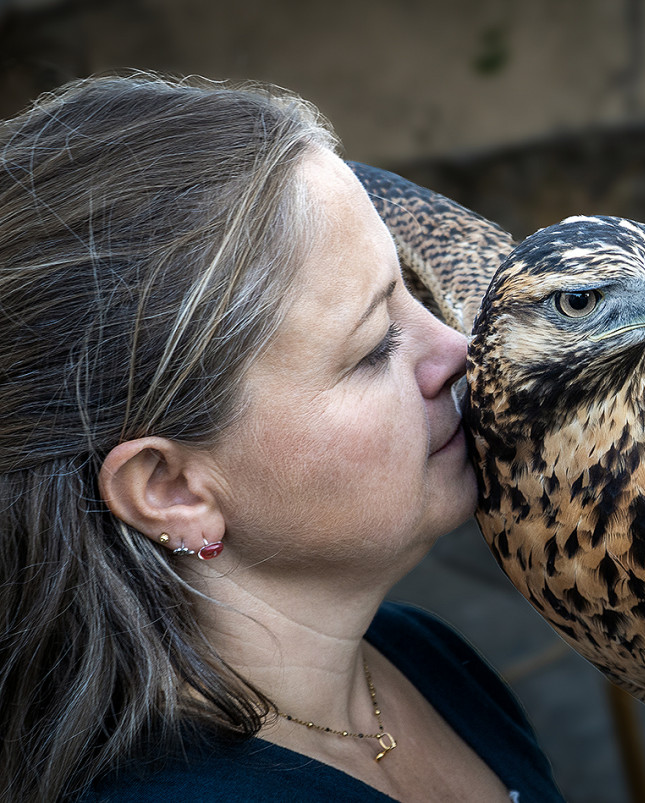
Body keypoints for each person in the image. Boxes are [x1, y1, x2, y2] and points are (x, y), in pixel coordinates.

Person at [0, 73, 563, 802]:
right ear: (172, 489)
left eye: (410, 294)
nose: (457, 347)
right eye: (373, 346)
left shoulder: (422, 656)